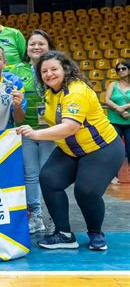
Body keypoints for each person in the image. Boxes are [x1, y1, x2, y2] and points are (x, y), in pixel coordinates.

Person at [17, 51, 125, 251]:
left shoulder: (76, 91)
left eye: (53, 69)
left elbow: (69, 127)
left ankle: (95, 233)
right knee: (49, 178)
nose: (49, 74)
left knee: (86, 191)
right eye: (44, 71)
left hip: (102, 148)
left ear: (65, 69)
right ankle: (64, 234)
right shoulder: (51, 93)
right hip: (71, 149)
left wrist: (34, 134)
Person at [10, 29, 56, 234]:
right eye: (32, 44)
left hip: (50, 130)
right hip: (25, 130)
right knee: (30, 174)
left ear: (49, 47)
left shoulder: (55, 68)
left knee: (49, 175)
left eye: (41, 44)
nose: (36, 47)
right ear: (26, 49)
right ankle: (35, 215)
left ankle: (54, 214)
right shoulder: (16, 71)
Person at [105, 61, 130, 184]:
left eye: (123, 68)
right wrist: (118, 110)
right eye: (118, 69)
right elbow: (107, 100)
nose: (120, 71)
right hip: (114, 121)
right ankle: (113, 176)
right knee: (114, 150)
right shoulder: (113, 84)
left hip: (129, 122)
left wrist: (124, 107)